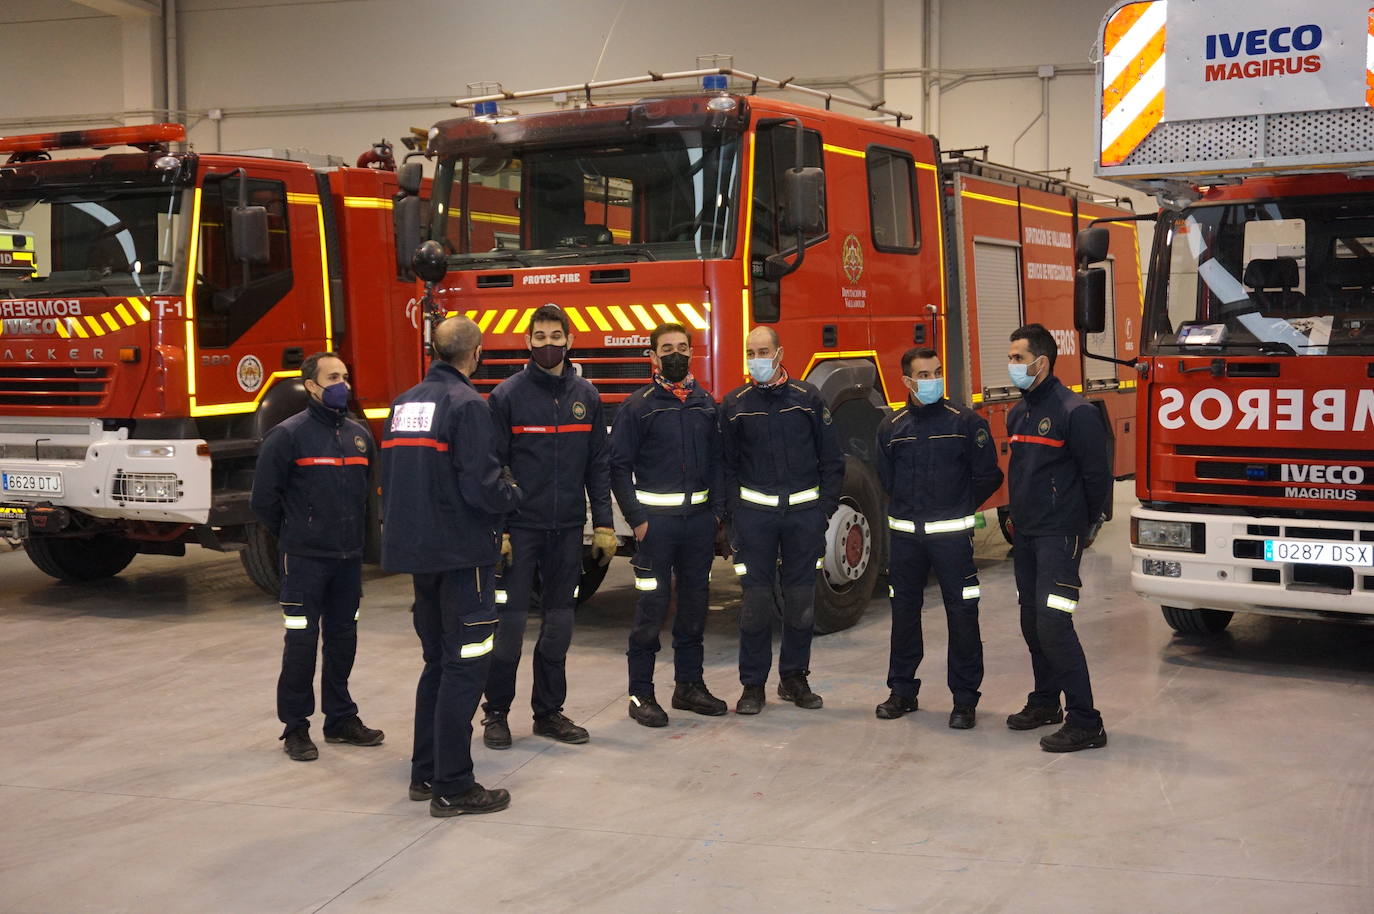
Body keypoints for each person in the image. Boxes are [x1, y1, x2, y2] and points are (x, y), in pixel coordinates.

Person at [381, 316, 521, 816]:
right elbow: (482, 486)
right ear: (476, 353)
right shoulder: (468, 405)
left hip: (421, 556)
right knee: (465, 667)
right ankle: (454, 786)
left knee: (438, 664)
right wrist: (512, 492)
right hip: (464, 557)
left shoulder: (404, 404)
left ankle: (426, 773)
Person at [480, 303, 615, 749]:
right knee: (509, 629)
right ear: (528, 342)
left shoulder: (587, 396)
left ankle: (548, 713)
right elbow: (494, 467)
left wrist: (604, 524)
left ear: (570, 341)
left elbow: (598, 465)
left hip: (567, 530)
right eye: (540, 337)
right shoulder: (507, 396)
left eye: (556, 337)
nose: (548, 344)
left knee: (559, 627)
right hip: (520, 532)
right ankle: (496, 714)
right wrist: (499, 530)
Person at [251, 352, 383, 762]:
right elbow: (263, 501)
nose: (343, 384)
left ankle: (340, 719)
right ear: (311, 386)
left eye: (345, 376)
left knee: (343, 640)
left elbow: (368, 496)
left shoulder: (359, 435)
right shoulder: (288, 435)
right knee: (301, 643)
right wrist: (298, 533)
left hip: (347, 560)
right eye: (333, 377)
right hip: (305, 560)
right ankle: (295, 727)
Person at [874, 347, 1003, 728]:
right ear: (907, 381)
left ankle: (964, 700)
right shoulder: (891, 428)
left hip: (952, 541)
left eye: (936, 372)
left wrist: (958, 505)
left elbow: (989, 475)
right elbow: (886, 479)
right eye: (924, 375)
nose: (933, 381)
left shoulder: (965, 422)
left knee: (962, 616)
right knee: (903, 615)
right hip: (906, 541)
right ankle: (902, 692)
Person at [609, 322, 728, 727]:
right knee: (651, 611)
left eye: (681, 347)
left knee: (694, 609)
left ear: (691, 352)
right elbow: (618, 467)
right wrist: (638, 520)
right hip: (656, 530)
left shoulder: (705, 403)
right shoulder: (637, 407)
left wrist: (716, 513)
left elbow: (718, 462)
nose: (675, 354)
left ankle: (688, 687)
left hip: (698, 527)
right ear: (653, 356)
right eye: (666, 348)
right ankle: (640, 694)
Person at [720, 326, 843, 714]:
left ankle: (794, 679)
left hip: (804, 520)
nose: (756, 359)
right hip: (754, 522)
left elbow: (832, 459)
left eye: (763, 352)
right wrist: (734, 517)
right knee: (755, 605)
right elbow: (725, 466)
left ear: (779, 354)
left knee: (801, 603)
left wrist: (823, 511)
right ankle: (752, 686)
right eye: (750, 352)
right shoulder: (735, 404)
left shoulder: (808, 399)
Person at [1004, 323, 1111, 752]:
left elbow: (1097, 478)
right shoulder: (1018, 413)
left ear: (1041, 362)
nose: (1011, 365)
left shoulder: (1075, 412)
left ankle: (1086, 721)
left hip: (1058, 536)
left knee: (1053, 623)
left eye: (1018, 358)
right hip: (1027, 536)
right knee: (1032, 623)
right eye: (1010, 358)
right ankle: (1046, 701)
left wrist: (1081, 526)